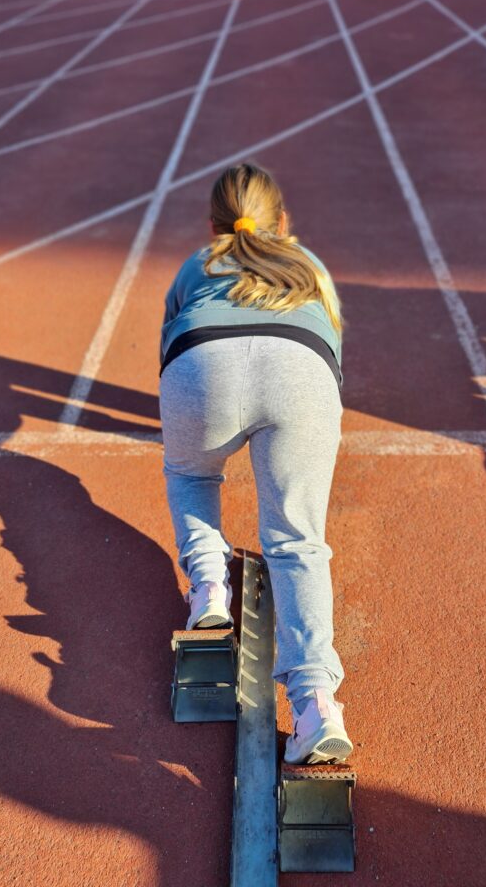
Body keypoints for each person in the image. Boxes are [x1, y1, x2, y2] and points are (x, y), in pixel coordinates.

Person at [159, 164, 353, 766]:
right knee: (297, 540)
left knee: (192, 473)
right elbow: (335, 349)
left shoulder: (196, 264)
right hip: (301, 369)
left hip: (200, 362)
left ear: (213, 224)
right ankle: (315, 706)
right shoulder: (308, 264)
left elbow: (168, 343)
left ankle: (209, 586)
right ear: (282, 221)